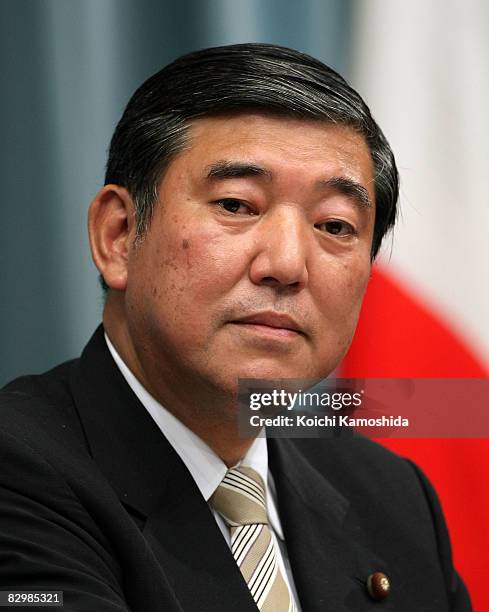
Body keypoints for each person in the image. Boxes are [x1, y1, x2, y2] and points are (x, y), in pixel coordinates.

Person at [0, 43, 471, 611]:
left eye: (335, 225)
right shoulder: (19, 468)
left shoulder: (392, 496)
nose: (287, 265)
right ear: (119, 235)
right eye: (236, 205)